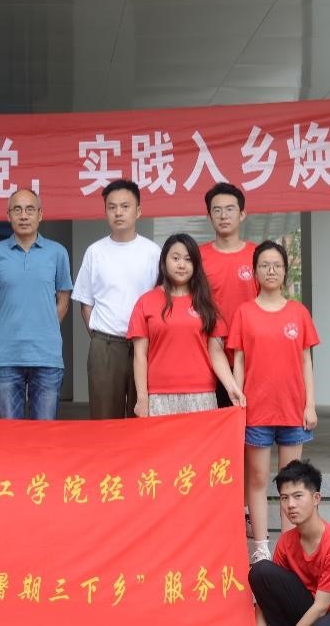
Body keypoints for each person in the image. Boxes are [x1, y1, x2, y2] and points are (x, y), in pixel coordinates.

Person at [228, 241, 319, 564]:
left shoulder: (298, 312)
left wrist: (310, 404)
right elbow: (239, 360)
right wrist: (238, 401)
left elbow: (306, 360)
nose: (271, 271)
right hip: (257, 410)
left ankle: (288, 547)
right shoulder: (244, 312)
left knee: (290, 482)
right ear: (255, 272)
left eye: (277, 265)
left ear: (285, 271)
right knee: (256, 479)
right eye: (264, 265)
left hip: (293, 410)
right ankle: (261, 546)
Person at [127, 233, 243, 417]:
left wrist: (231, 387)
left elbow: (215, 352)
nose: (181, 265)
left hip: (202, 394)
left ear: (196, 265)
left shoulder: (206, 303)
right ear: (164, 261)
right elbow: (140, 355)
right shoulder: (146, 302)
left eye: (188, 260)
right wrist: (142, 398)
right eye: (175, 258)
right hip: (159, 396)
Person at [248, 460, 330, 626]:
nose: (290, 505)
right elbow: (267, 594)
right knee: (261, 571)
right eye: (284, 498)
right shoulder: (286, 542)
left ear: (316, 498)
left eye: (298, 496)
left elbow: (321, 608)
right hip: (310, 613)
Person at [72, 179, 161, 419]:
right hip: (106, 345)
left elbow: (161, 300)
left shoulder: (153, 252)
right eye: (112, 207)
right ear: (105, 212)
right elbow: (85, 304)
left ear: (138, 211)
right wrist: (100, 338)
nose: (118, 212)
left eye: (125, 206)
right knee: (104, 418)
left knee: (142, 416)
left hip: (146, 346)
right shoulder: (95, 252)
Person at [0, 189, 72, 419]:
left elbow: (63, 302)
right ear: (8, 215)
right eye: (17, 210)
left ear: (40, 215)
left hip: (47, 356)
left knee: (44, 432)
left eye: (30, 210)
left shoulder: (58, 253)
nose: (24, 216)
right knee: (8, 432)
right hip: (6, 357)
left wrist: (44, 325)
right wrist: (12, 323)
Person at [199, 182, 260, 409]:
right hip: (209, 356)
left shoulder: (258, 255)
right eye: (217, 210)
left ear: (242, 214)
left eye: (230, 209)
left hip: (251, 354)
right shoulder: (197, 257)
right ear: (209, 217)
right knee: (215, 422)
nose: (223, 215)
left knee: (250, 420)